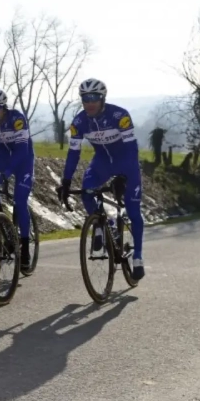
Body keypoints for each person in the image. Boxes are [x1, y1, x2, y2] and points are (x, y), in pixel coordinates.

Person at [56, 78, 145, 281]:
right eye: (86, 98)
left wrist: (124, 176)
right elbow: (73, 154)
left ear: (102, 98)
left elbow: (132, 150)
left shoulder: (119, 116)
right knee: (87, 191)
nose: (90, 102)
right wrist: (66, 181)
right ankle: (103, 226)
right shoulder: (79, 122)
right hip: (102, 163)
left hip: (126, 163)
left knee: (133, 210)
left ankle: (138, 256)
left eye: (94, 97)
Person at [0, 87, 35, 272]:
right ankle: (6, 230)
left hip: (23, 160)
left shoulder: (17, 119)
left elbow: (22, 151)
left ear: (4, 108)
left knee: (20, 201)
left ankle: (25, 247)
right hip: (2, 159)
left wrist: (8, 173)